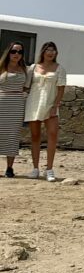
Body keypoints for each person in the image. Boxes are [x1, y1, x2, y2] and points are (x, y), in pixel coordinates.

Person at [24, 41, 66, 181]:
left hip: (50, 105)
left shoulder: (59, 69)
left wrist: (56, 105)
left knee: (52, 136)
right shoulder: (33, 68)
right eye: (48, 50)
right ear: (43, 51)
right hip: (34, 104)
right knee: (35, 136)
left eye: (53, 50)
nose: (51, 52)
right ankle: (35, 168)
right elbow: (27, 86)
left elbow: (61, 89)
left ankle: (49, 169)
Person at [0, 43, 30, 178]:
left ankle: (9, 168)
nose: (16, 54)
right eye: (13, 51)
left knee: (12, 136)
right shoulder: (1, 67)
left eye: (20, 51)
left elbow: (27, 87)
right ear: (8, 52)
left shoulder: (25, 69)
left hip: (17, 104)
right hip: (1, 102)